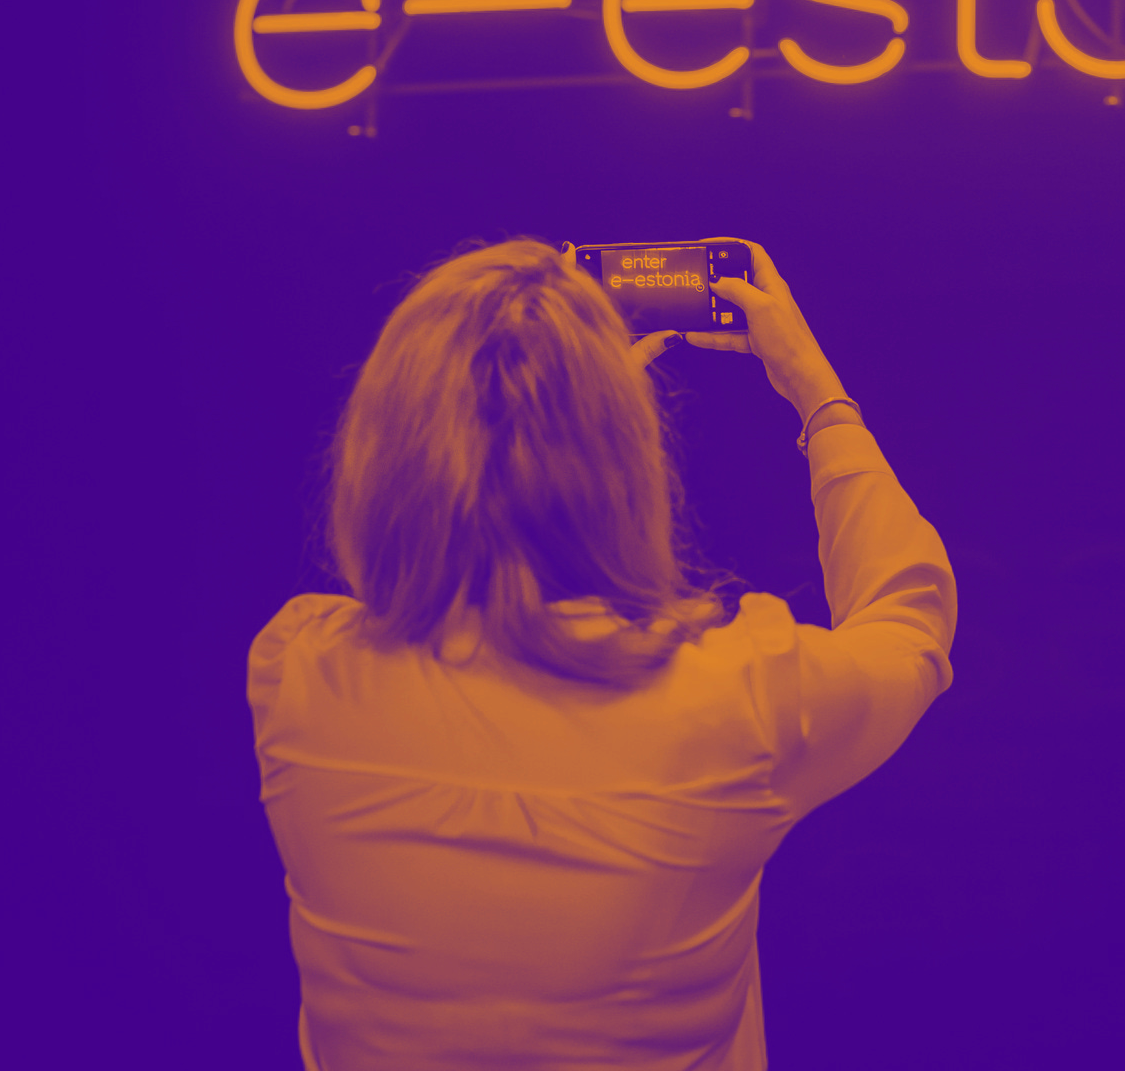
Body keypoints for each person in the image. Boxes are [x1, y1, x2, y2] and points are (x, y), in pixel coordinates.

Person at [246, 237, 957, 1071]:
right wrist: (815, 391)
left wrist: (530, 422)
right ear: (626, 463)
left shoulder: (298, 675)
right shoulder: (739, 696)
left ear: (377, 449)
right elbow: (909, 626)